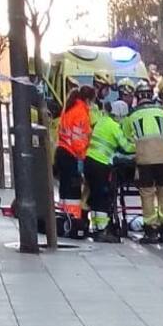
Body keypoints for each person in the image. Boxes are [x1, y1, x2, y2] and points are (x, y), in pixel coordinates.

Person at [123, 81, 163, 244]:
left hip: (145, 160)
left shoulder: (132, 116)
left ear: (137, 97)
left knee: (147, 194)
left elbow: (126, 140)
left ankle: (151, 231)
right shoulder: (162, 112)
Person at [84, 93, 134, 243]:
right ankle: (103, 230)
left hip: (90, 161)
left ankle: (97, 227)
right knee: (102, 197)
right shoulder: (114, 127)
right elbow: (126, 147)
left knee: (94, 195)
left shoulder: (102, 121)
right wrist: (139, 146)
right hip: (101, 164)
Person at [55, 85, 94, 238]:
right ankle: (73, 224)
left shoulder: (69, 109)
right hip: (72, 155)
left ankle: (65, 221)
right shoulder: (81, 113)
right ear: (87, 99)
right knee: (73, 194)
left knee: (65, 192)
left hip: (62, 152)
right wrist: (81, 158)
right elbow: (78, 140)